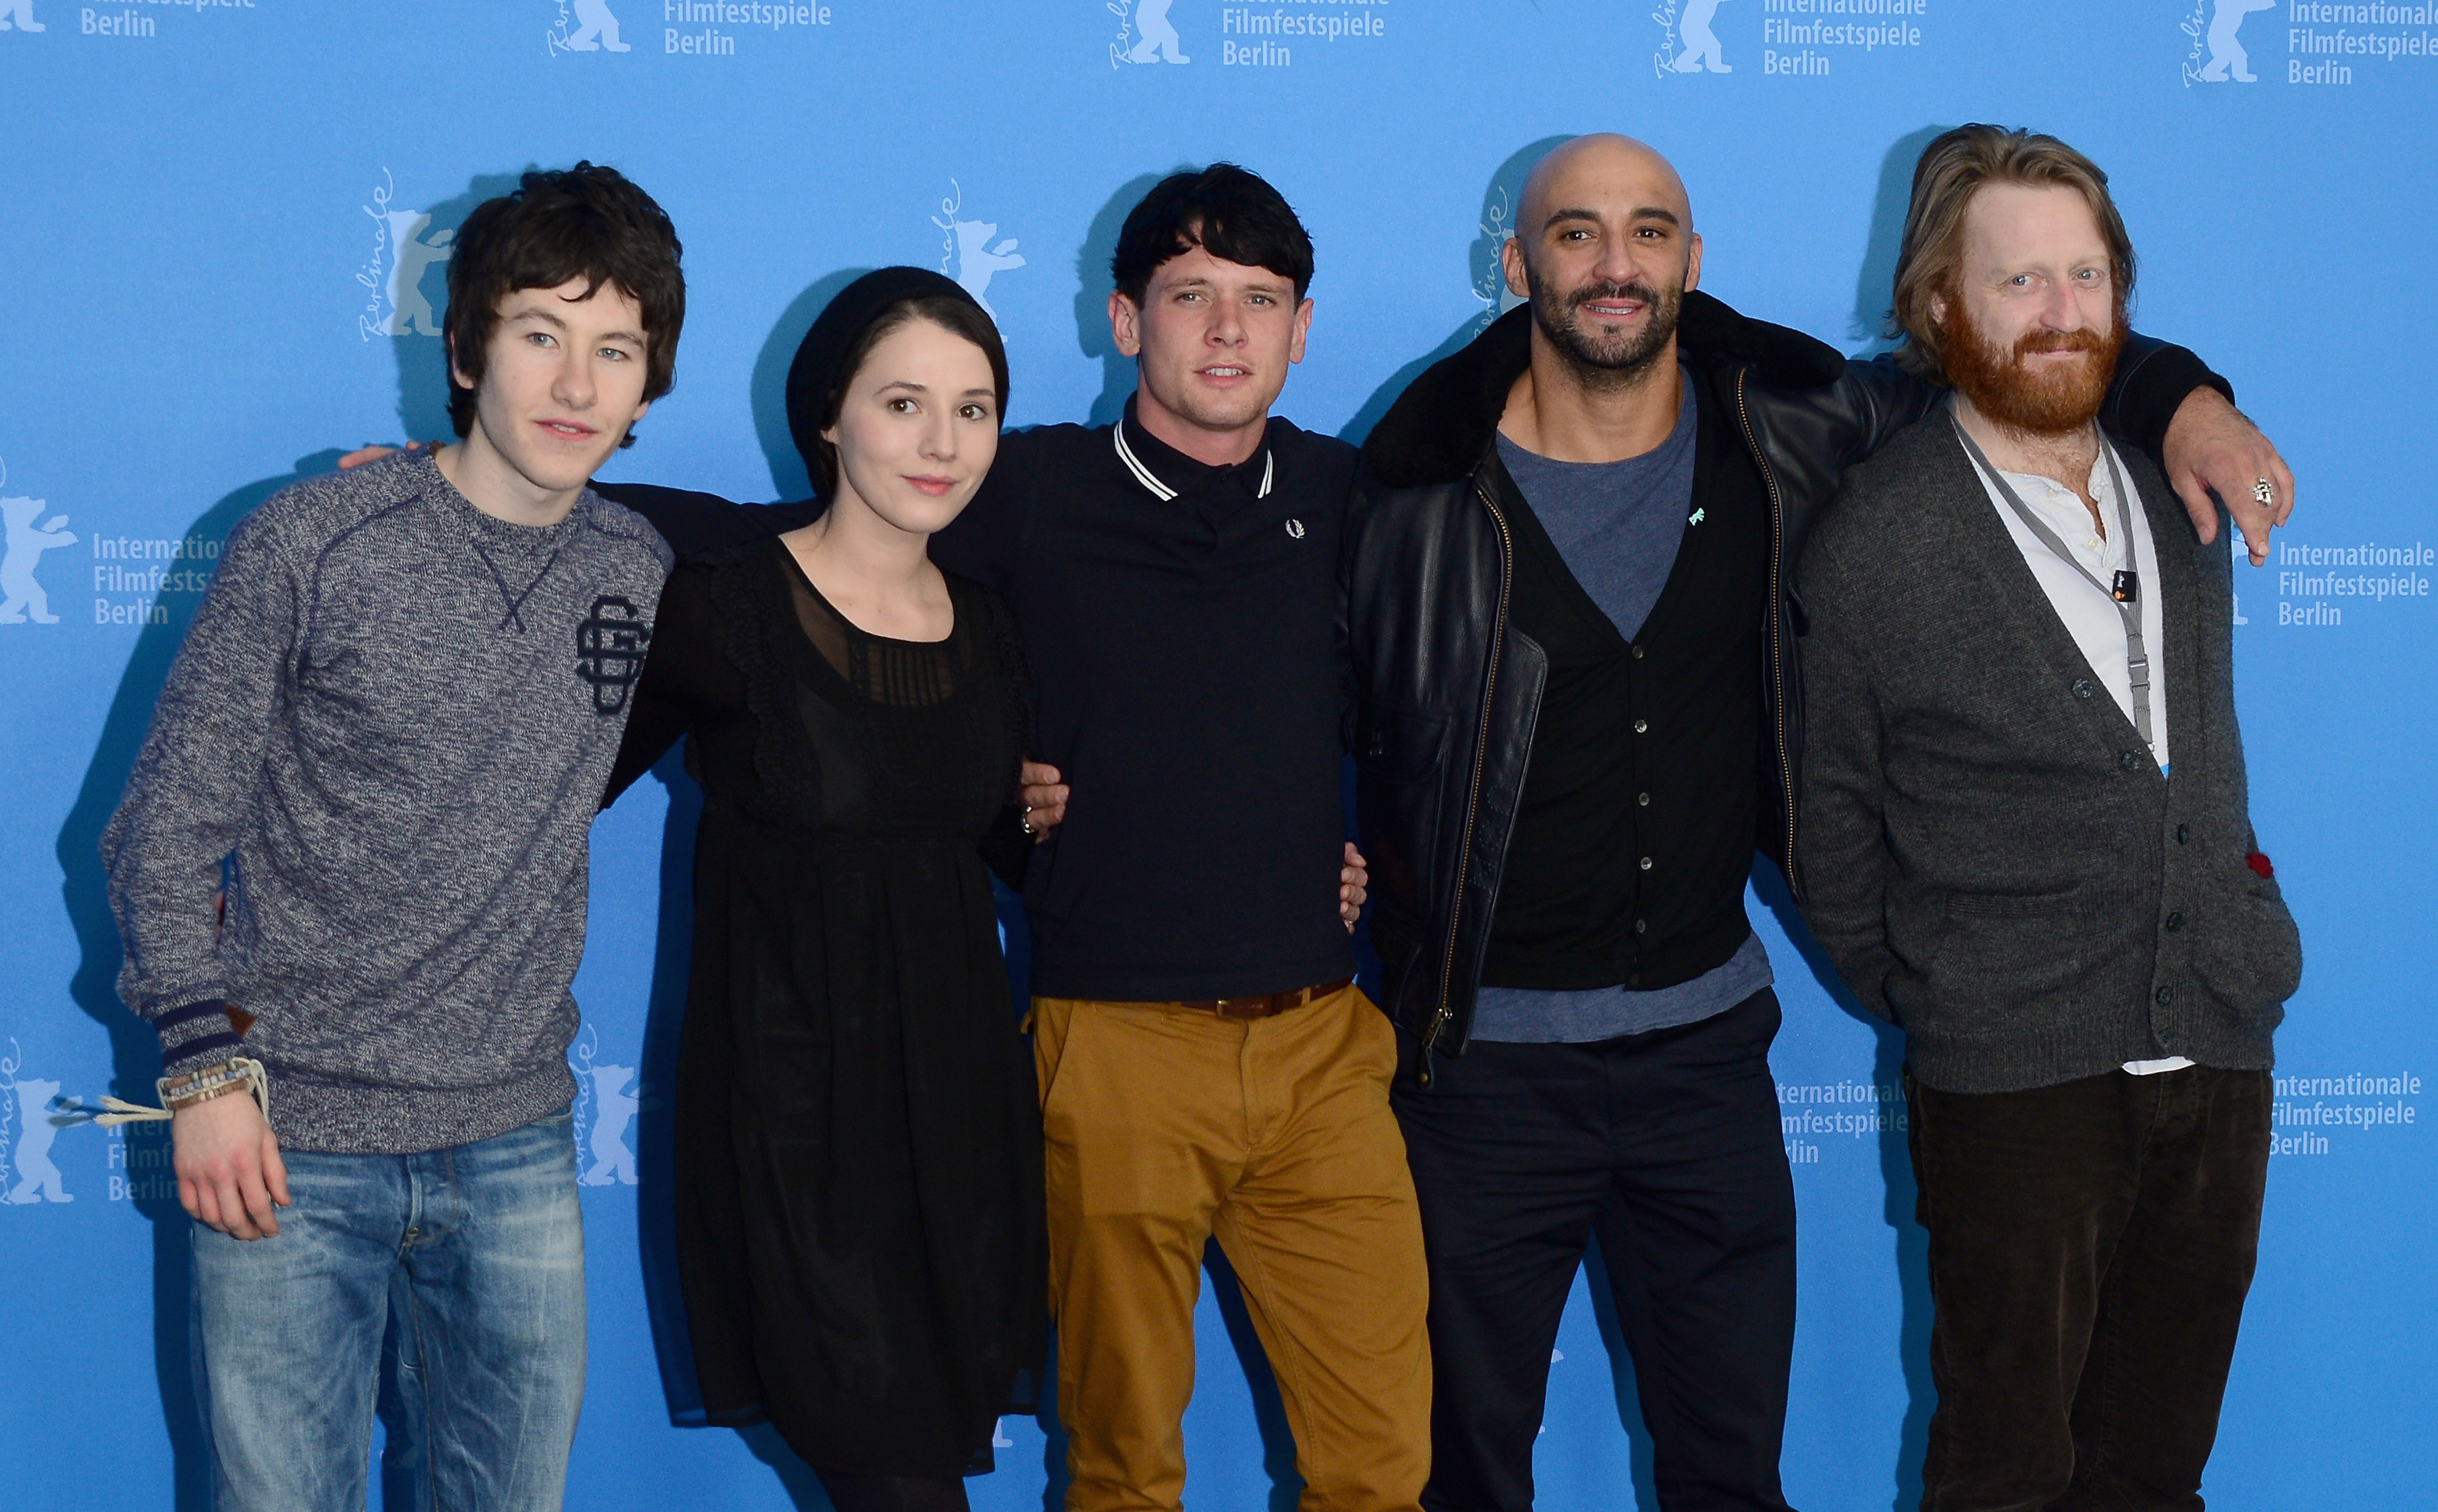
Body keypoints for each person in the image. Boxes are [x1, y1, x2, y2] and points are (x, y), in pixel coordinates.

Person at [1341, 132, 2293, 1512]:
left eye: (1652, 230)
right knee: (1458, 1470)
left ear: (1693, 260)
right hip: (1482, 1078)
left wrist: (2184, 394)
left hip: (1703, 1067)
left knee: (1734, 1474)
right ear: (1517, 262)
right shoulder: (1412, 495)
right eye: (1578, 233)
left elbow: (2022, 352)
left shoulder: (1791, 428)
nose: (1618, 264)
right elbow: (1305, 692)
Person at [587, 165, 1411, 1512]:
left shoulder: (1354, 496)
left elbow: (1426, 700)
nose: (1225, 330)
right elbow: (782, 543)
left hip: (1323, 1042)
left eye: (1260, 301)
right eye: (1190, 295)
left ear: (1303, 330)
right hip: (1109, 1048)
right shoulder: (1019, 495)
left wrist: (1372, 864)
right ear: (1124, 318)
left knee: (1385, 1463)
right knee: (1125, 1468)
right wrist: (486, 492)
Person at [100, 162, 684, 1512]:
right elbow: (165, 826)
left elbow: (835, 557)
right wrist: (201, 1062)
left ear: (649, 387)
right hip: (288, 1141)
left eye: (616, 351)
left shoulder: (640, 572)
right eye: (541, 332)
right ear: (469, 345)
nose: (576, 382)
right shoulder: (312, 539)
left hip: (519, 1141)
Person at [1795, 125, 2299, 1511]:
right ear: (1941, 304)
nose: (2060, 309)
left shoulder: (2179, 485)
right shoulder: (1879, 543)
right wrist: (1953, 985)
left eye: (2084, 274)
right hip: (2012, 1079)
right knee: (2006, 1474)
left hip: (2215, 1039)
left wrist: (2244, 927)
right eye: (2019, 280)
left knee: (2156, 1474)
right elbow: (1829, 823)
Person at [601, 268, 1045, 1512]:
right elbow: (543, 795)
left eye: (974, 409)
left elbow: (1012, 849)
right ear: (828, 417)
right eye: (904, 402)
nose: (941, 442)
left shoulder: (995, 624)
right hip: (793, 1129)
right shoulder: (719, 609)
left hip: (960, 1134)